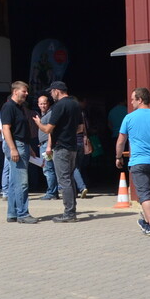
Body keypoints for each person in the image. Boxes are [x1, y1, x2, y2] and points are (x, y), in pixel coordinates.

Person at [115, 87, 150, 236]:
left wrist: (118, 157)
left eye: (133, 99)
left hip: (139, 161)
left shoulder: (129, 118)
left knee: (144, 194)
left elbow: (121, 141)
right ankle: (146, 221)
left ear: (140, 100)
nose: (131, 101)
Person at [40, 81, 84, 223]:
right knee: (69, 179)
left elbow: (48, 129)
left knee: (64, 180)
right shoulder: (75, 104)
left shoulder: (59, 106)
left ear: (57, 91)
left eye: (51, 92)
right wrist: (68, 132)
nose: (51, 95)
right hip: (72, 147)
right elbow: (80, 128)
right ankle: (72, 210)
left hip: (61, 147)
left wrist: (37, 123)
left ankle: (69, 213)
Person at [0, 81, 39, 224]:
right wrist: (13, 148)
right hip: (16, 145)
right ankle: (23, 214)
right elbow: (6, 129)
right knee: (22, 182)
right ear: (15, 91)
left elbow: (21, 129)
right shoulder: (8, 107)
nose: (27, 93)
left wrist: (29, 147)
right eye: (24, 91)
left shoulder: (20, 107)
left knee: (14, 182)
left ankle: (12, 213)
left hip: (22, 144)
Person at [32, 94, 59, 200]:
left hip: (47, 145)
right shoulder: (43, 114)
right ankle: (53, 191)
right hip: (43, 144)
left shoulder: (50, 114)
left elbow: (50, 131)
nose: (43, 105)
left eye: (44, 103)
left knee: (48, 169)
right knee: (48, 168)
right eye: (41, 103)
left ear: (48, 103)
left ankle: (51, 192)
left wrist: (48, 146)